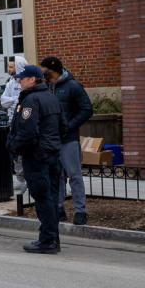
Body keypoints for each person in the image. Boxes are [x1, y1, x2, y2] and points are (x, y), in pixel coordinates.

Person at [7, 64, 63, 254]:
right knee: (52, 197)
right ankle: (53, 238)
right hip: (53, 154)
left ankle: (47, 240)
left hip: (37, 155)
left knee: (42, 198)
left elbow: (28, 132)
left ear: (32, 79)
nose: (19, 81)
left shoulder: (31, 100)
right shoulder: (52, 97)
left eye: (22, 78)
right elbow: (62, 126)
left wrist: (14, 147)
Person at [41, 55, 94, 226]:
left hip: (69, 140)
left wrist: (69, 126)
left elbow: (86, 109)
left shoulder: (73, 86)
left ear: (52, 69)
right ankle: (58, 208)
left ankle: (80, 211)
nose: (41, 71)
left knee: (74, 175)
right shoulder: (46, 87)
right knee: (56, 176)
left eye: (44, 68)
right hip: (51, 140)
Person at [0, 56, 29, 200]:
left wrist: (14, 100)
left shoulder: (27, 81)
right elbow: (4, 101)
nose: (9, 69)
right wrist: (14, 100)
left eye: (12, 66)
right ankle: (21, 179)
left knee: (25, 153)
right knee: (15, 153)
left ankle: (28, 180)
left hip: (24, 123)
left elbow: (23, 100)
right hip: (12, 122)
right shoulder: (10, 82)